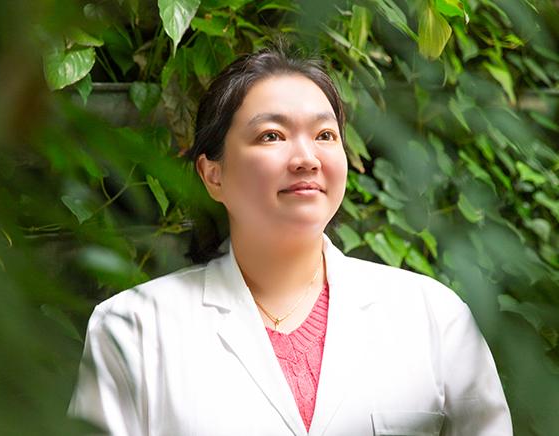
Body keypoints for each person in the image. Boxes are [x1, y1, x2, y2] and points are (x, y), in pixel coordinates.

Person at [69, 46, 513, 436]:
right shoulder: (133, 329)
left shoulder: (433, 317)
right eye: (272, 136)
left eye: (324, 135)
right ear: (213, 175)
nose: (306, 159)